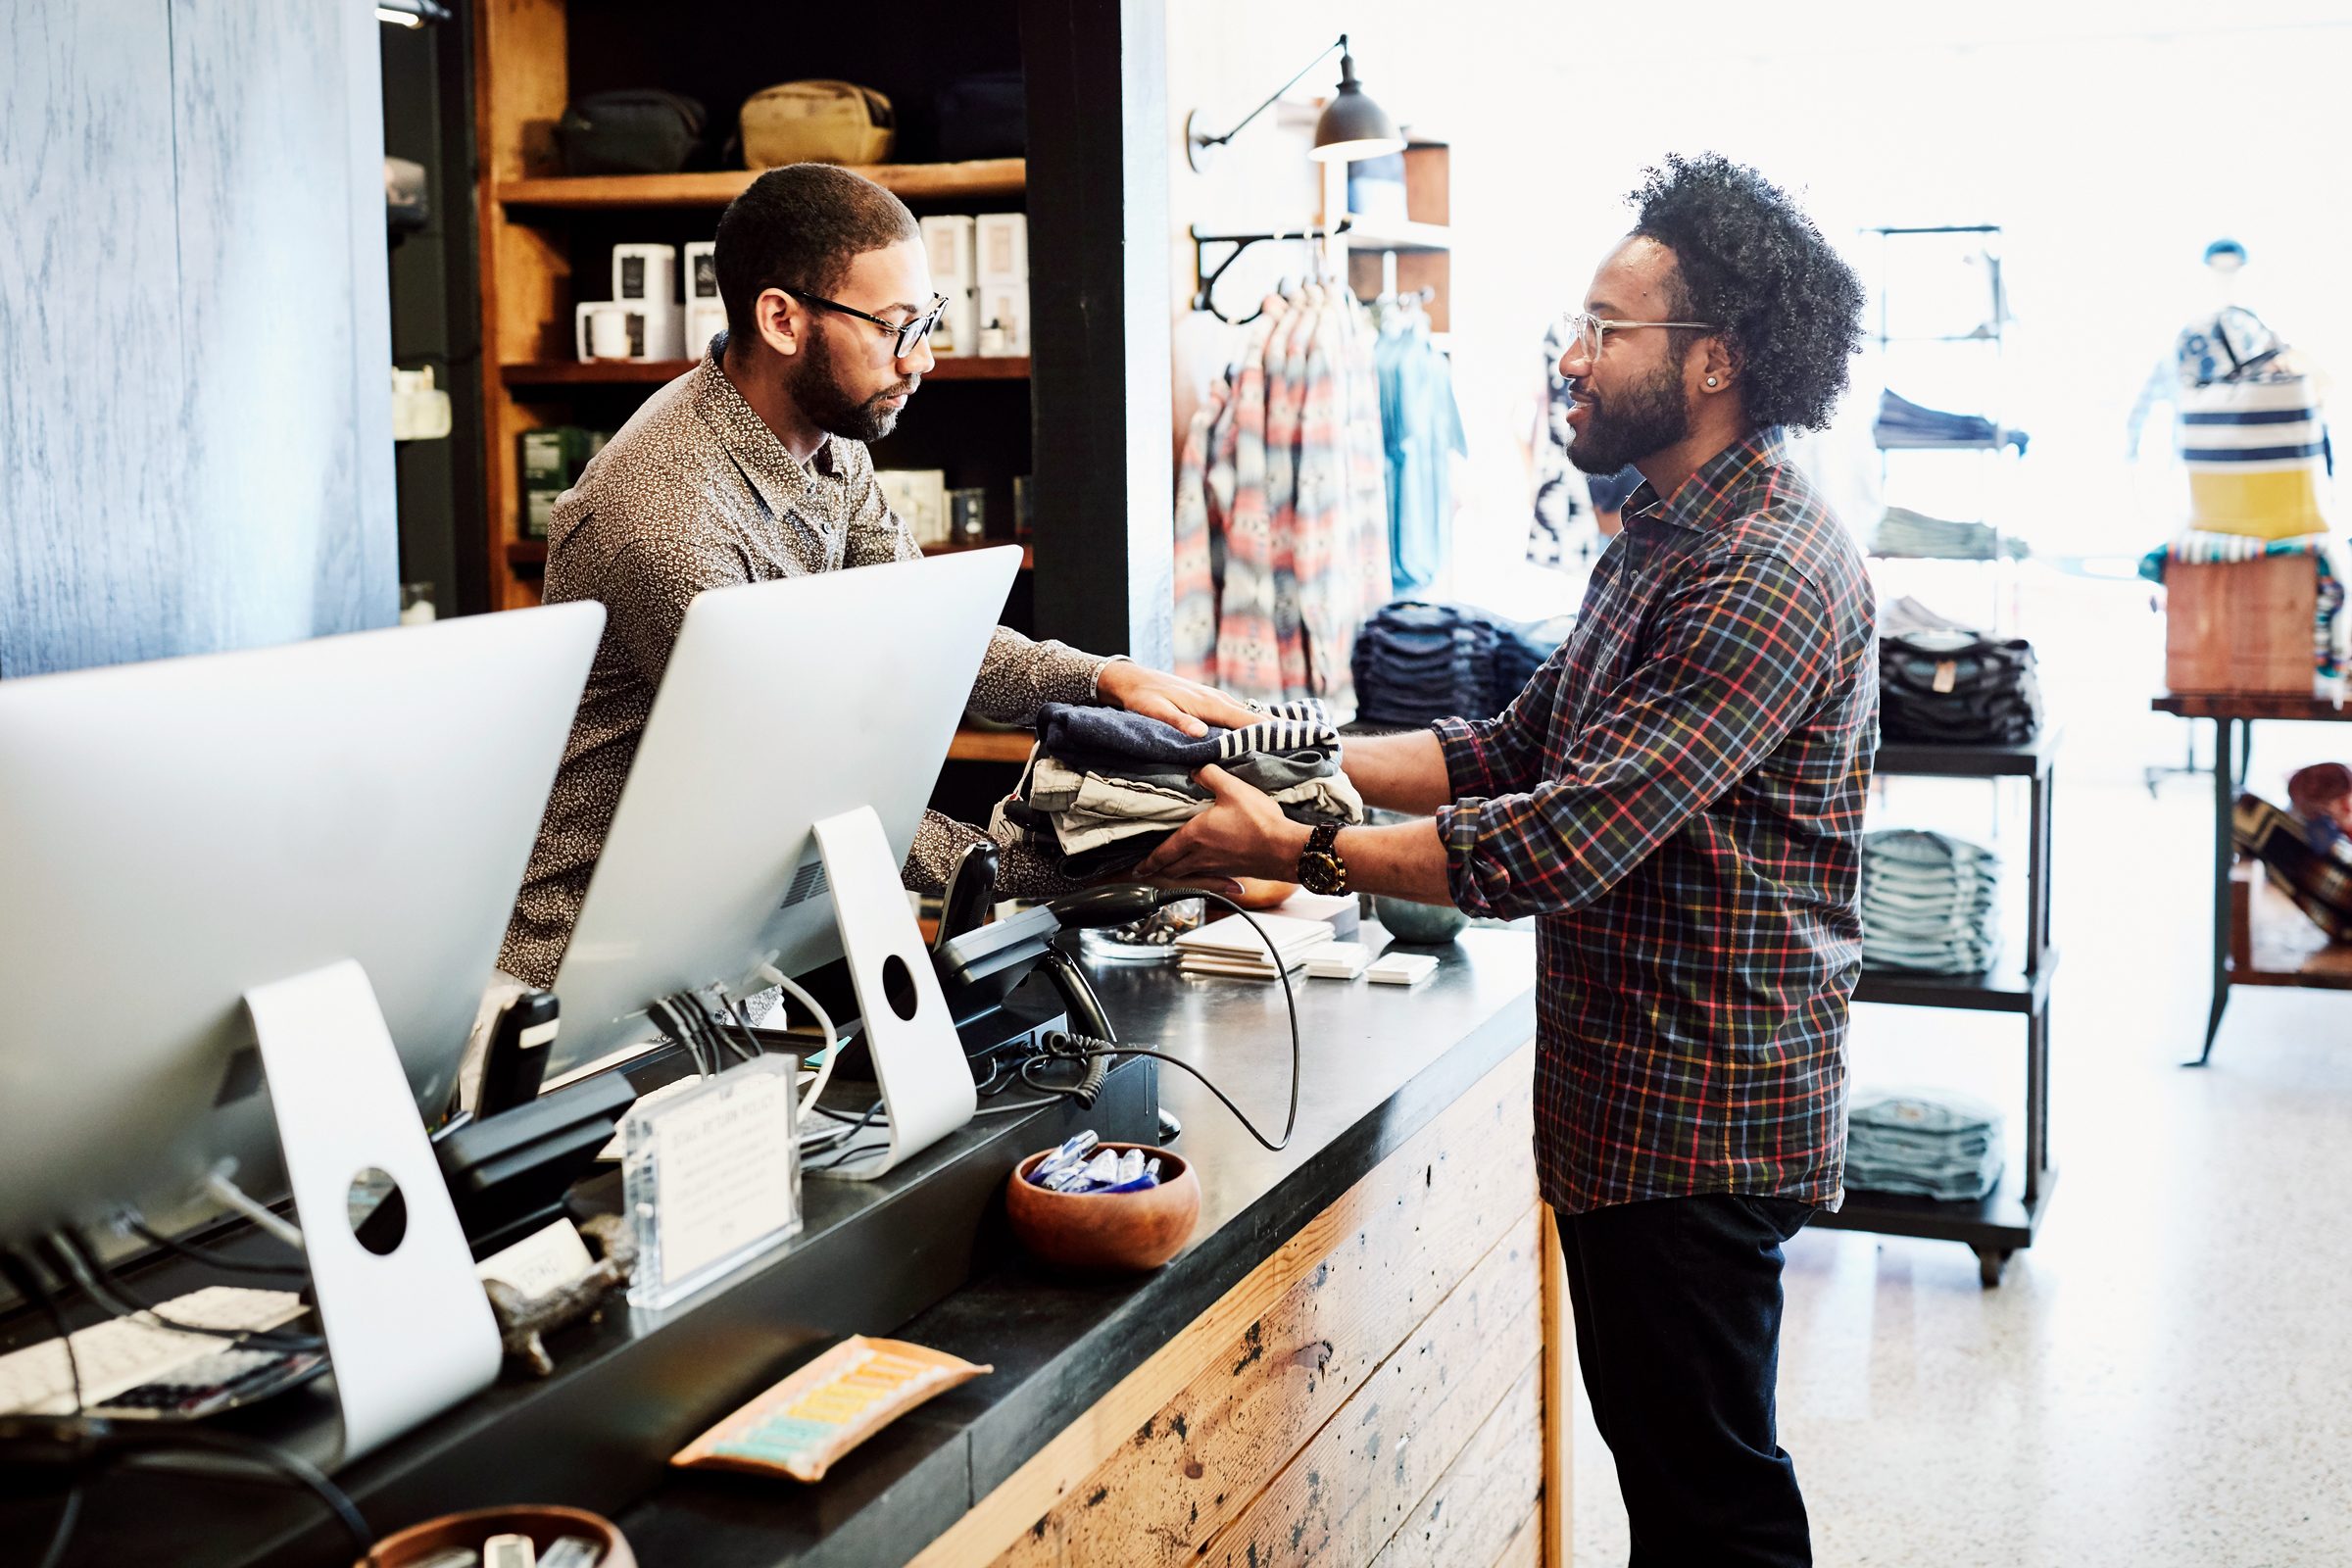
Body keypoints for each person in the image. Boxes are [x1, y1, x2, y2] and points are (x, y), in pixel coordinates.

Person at [1137, 153, 1877, 1567]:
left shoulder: (1765, 567)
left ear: (1712, 360)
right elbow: (1513, 745)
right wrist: (1284, 736)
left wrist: (1297, 847)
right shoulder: (1661, 537)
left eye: (1607, 329)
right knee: (1674, 1475)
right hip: (1633, 1105)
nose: (1572, 356)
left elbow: (1564, 837)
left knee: (1713, 1504)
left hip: (1699, 1113)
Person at [499, 163, 1252, 990]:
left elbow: (928, 641)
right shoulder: (667, 519)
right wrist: (1059, 863)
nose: (922, 357)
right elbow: (801, 797)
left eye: (927, 319)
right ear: (782, 319)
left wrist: (1104, 682)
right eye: (896, 326)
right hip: (602, 979)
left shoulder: (827, 440)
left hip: (745, 933)